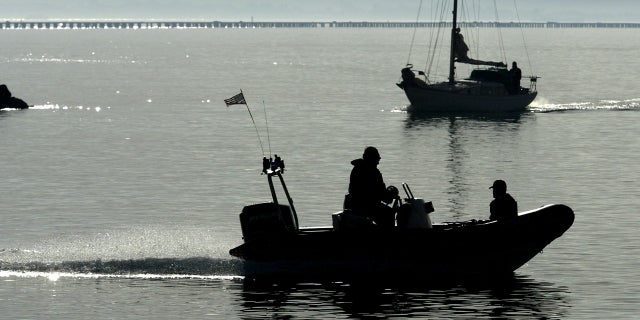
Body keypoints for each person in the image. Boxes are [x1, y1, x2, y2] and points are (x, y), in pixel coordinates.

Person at [347, 146, 397, 228]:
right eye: (377, 159)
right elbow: (378, 192)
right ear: (371, 159)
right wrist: (389, 194)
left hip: (356, 205)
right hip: (365, 206)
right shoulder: (371, 172)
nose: (378, 163)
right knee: (389, 213)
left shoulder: (357, 169)